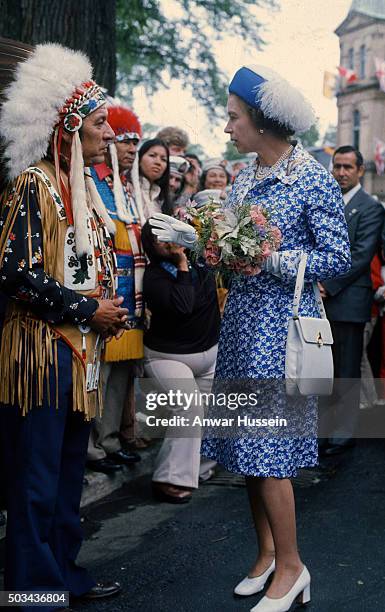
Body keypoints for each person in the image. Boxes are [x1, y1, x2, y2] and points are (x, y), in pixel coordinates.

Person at [184, 65, 350, 611]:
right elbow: (234, 246)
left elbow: (337, 257)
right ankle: (267, 555)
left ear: (260, 120)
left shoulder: (313, 176)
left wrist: (271, 258)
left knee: (270, 450)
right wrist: (208, 244)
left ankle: (294, 566)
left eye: (233, 117)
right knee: (246, 448)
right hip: (242, 324)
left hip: (281, 330)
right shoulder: (246, 176)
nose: (227, 126)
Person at [0, 38, 126, 607]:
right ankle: (32, 588)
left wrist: (106, 313)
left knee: (68, 472)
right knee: (35, 477)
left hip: (80, 352)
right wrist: (86, 310)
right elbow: (14, 271)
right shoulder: (34, 184)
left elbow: (82, 267)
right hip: (41, 351)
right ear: (72, 128)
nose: (110, 133)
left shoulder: (84, 193)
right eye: (101, 122)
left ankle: (65, 576)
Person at [141, 221, 220, 503]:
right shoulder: (153, 277)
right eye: (158, 239)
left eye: (169, 235)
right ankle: (168, 478)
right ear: (150, 245)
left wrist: (190, 254)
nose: (167, 242)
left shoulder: (201, 263)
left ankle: (198, 469)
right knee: (189, 407)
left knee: (216, 411)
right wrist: (182, 262)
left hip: (209, 353)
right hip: (167, 357)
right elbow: (183, 305)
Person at [87, 103, 146, 473]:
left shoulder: (125, 183)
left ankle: (108, 441)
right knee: (102, 372)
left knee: (120, 374)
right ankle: (92, 448)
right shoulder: (92, 177)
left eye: (134, 145)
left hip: (130, 289)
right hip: (105, 289)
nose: (129, 150)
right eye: (125, 142)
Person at [318, 146, 384, 455]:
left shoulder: (370, 207)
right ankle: (323, 431)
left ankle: (343, 434)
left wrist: (326, 285)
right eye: (337, 166)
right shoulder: (325, 201)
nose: (342, 172)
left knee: (345, 369)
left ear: (359, 171)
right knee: (322, 370)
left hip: (348, 300)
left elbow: (361, 254)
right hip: (320, 300)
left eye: (348, 167)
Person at [132, 138, 172, 220]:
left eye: (163, 159)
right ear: (139, 159)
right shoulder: (128, 189)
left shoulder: (161, 198)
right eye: (152, 155)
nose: (158, 162)